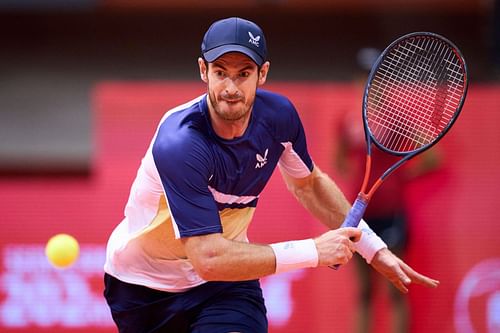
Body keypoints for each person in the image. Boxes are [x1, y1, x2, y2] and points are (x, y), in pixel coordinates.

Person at [103, 17, 439, 333]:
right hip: (144, 289)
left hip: (226, 284)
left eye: (243, 73)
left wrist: (373, 249)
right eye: (221, 72)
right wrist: (313, 251)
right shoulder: (180, 143)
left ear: (262, 73)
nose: (231, 87)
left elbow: (309, 185)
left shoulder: (279, 117)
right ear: (203, 70)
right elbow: (208, 257)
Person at [335, 56, 442, 333]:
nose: (372, 84)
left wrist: (402, 177)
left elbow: (432, 157)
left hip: (392, 215)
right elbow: (339, 160)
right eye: (365, 77)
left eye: (377, 77)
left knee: (397, 289)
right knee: (364, 292)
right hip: (360, 218)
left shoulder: (397, 119)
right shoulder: (348, 120)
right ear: (357, 81)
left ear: (384, 82)